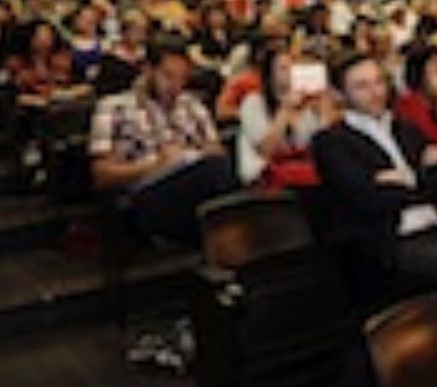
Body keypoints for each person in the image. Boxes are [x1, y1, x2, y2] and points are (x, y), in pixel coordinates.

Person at [311, 52, 437, 308]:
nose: (375, 92)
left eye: (378, 82)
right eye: (362, 86)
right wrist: (425, 179)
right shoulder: (332, 142)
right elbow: (371, 200)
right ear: (341, 94)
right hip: (390, 241)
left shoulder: (404, 128)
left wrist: (407, 179)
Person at [89, 36, 234, 244]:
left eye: (182, 78)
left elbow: (216, 151)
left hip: (195, 181)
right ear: (148, 70)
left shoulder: (191, 104)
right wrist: (155, 164)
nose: (175, 86)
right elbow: (101, 175)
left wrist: (199, 152)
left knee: (220, 170)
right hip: (146, 191)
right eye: (168, 77)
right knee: (214, 177)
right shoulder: (113, 107)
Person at [237, 47, 335, 188]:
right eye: (283, 68)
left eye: (293, 67)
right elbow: (265, 150)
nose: (290, 73)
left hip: (303, 169)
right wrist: (285, 110)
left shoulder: (308, 104)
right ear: (270, 74)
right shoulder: (253, 102)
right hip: (265, 174)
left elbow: (325, 143)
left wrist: (323, 109)